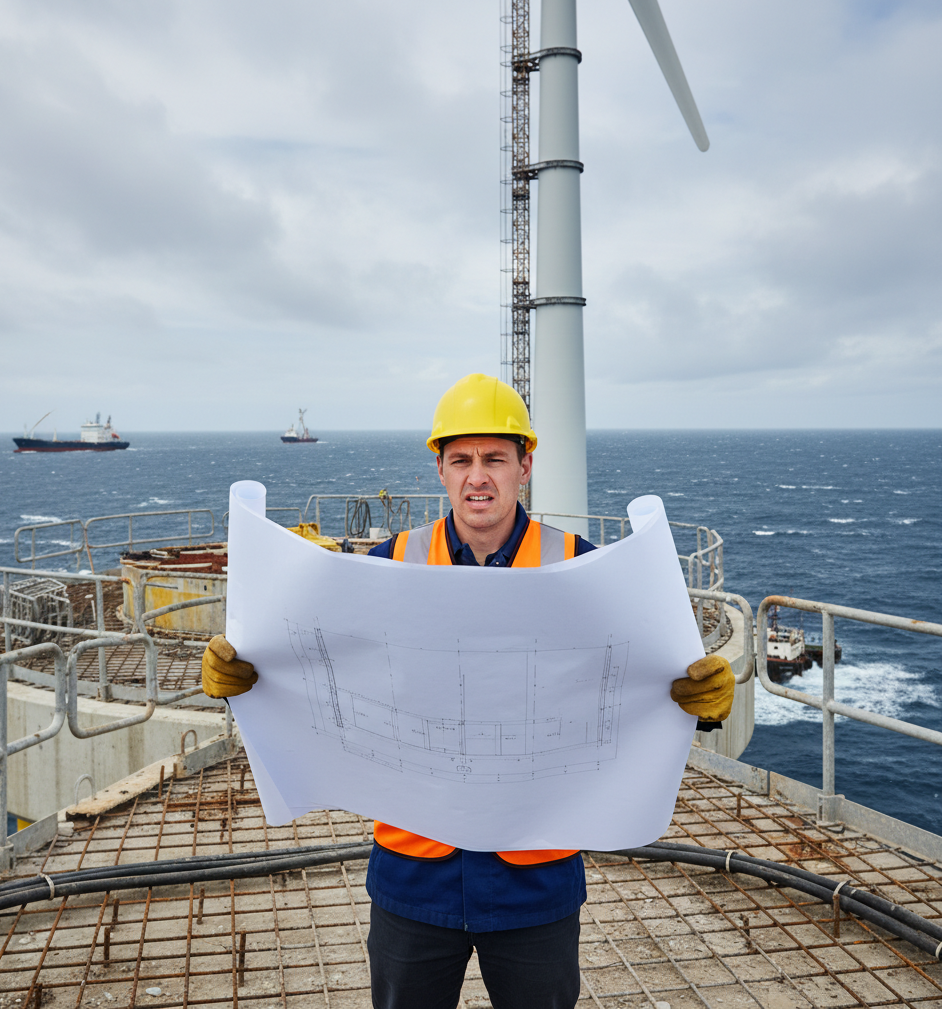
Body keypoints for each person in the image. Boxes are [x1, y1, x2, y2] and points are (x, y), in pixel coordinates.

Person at [201, 373, 735, 1009]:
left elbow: (637, 678)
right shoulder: (388, 561)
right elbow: (318, 661)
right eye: (461, 460)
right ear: (440, 469)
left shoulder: (582, 565)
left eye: (494, 459)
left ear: (524, 466)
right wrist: (247, 679)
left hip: (534, 876)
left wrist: (695, 704)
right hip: (414, 873)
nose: (477, 477)